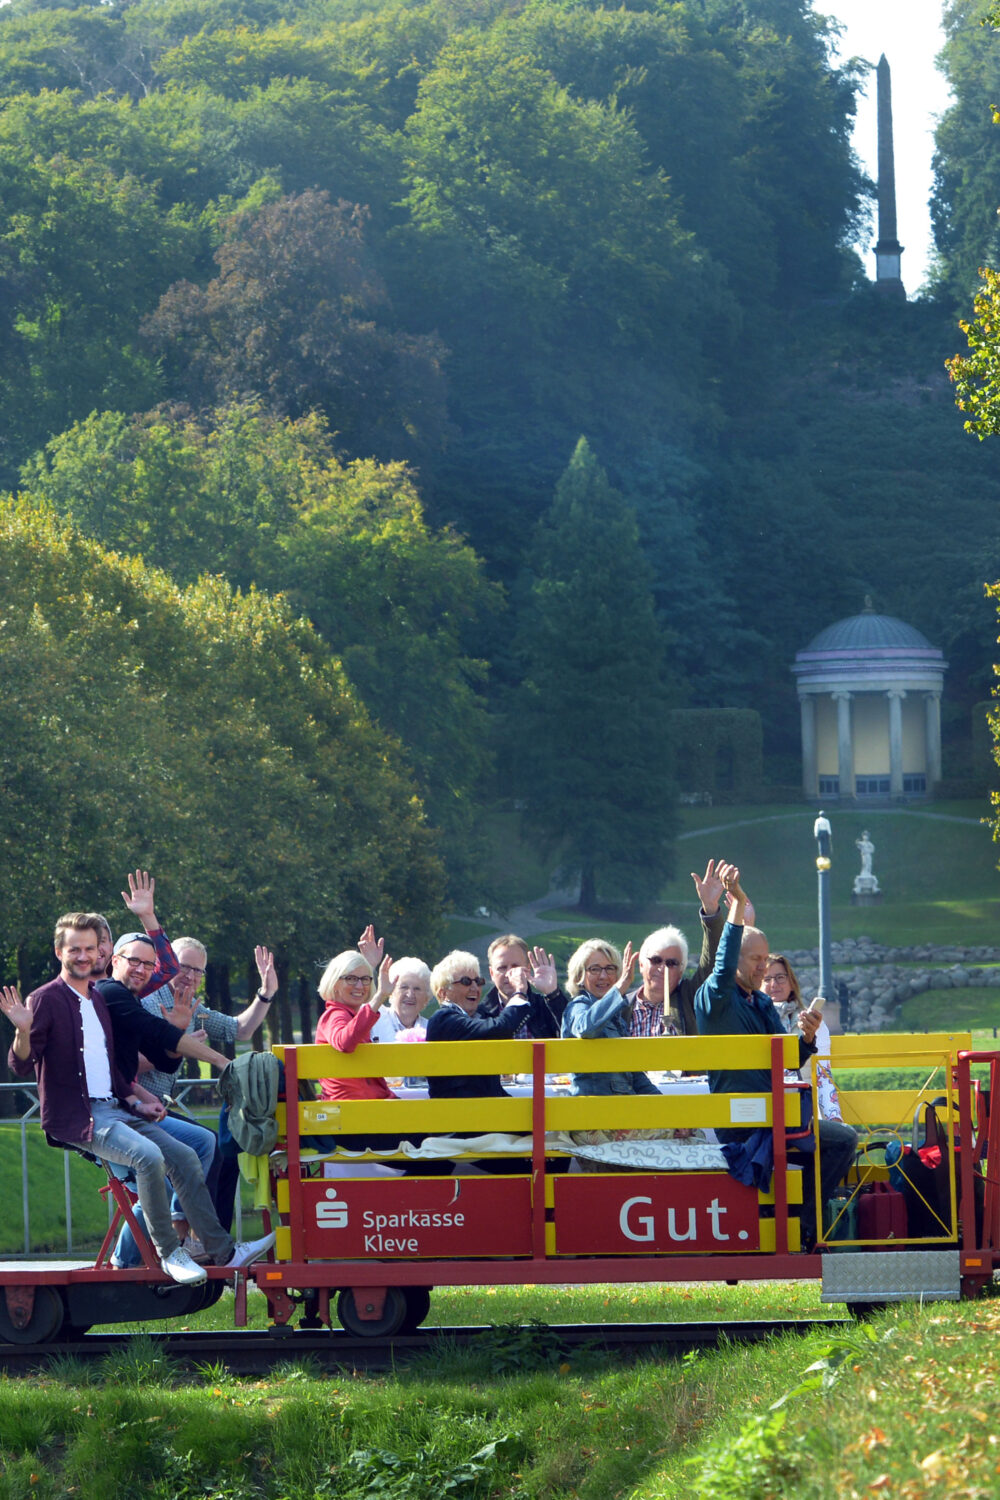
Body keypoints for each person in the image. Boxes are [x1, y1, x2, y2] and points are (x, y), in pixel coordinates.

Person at [1, 914, 274, 1286]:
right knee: (149, 1158)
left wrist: (134, 1096)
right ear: (60, 952)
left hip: (117, 1108)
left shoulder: (97, 1000)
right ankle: (169, 1253)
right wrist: (22, 1031)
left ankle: (224, 1251)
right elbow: (20, 1063)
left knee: (187, 1154)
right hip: (81, 1117)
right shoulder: (46, 998)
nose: (83, 956)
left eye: (88, 949)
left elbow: (111, 1067)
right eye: (75, 949)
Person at [694, 866, 857, 1249]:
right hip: (743, 1121)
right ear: (734, 959)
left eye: (766, 959)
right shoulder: (716, 997)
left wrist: (806, 1035)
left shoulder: (762, 1001)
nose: (763, 968)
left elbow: (788, 1059)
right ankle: (808, 1230)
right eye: (755, 960)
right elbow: (723, 957)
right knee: (842, 1140)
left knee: (840, 1139)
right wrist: (734, 902)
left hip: (772, 1116)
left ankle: (805, 1226)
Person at [114, 938, 277, 1263]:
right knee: (194, 1153)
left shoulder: (190, 1006)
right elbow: (120, 1063)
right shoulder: (145, 999)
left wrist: (265, 993)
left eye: (198, 971)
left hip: (156, 1110)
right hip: (127, 1109)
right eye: (184, 966)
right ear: (165, 963)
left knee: (222, 1150)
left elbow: (240, 1030)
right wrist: (175, 1046)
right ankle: (182, 1242)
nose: (189, 976)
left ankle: (207, 1243)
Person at [315, 949, 447, 1173]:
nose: (360, 986)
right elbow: (344, 1042)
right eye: (351, 979)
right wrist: (378, 999)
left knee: (439, 1143)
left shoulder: (350, 1015)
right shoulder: (335, 1015)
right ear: (335, 983)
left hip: (368, 1117)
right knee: (440, 1152)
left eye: (365, 979)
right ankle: (408, 1206)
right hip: (354, 1124)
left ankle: (408, 1205)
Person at [761, 954, 843, 1123]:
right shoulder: (751, 1020)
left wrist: (834, 1117)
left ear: (792, 983)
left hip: (803, 1111)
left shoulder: (811, 1021)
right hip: (764, 1112)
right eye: (766, 979)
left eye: (780, 977)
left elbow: (823, 1075)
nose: (774, 984)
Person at [480, 935, 567, 1039]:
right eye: (502, 968)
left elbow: (571, 1035)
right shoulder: (479, 1014)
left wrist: (553, 994)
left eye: (515, 966)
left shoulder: (544, 1006)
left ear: (528, 969)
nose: (509, 973)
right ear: (492, 973)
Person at [370, 958, 431, 1044]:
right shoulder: (375, 1020)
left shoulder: (431, 1029)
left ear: (426, 997)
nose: (410, 994)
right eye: (404, 987)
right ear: (391, 991)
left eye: (417, 989)